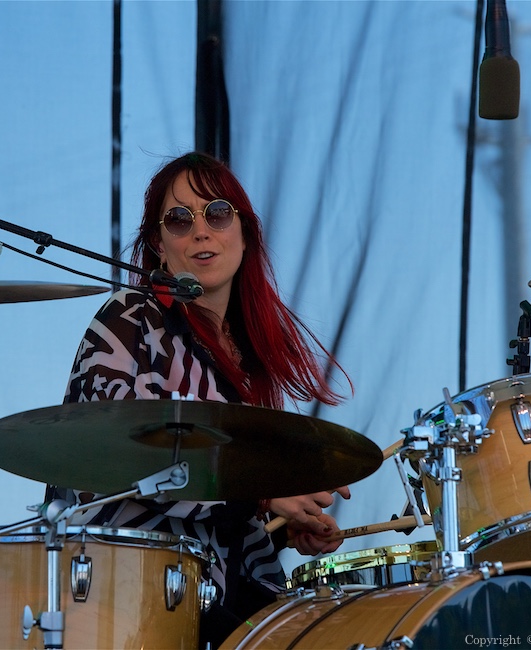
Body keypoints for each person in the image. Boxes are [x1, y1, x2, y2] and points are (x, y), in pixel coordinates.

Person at [51, 151, 352, 647]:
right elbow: (118, 456)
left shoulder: (249, 352)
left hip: (217, 601)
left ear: (244, 230)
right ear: (158, 244)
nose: (201, 230)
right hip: (121, 594)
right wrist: (262, 490)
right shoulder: (129, 318)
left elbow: (223, 512)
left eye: (217, 213)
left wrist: (285, 526)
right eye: (179, 219)